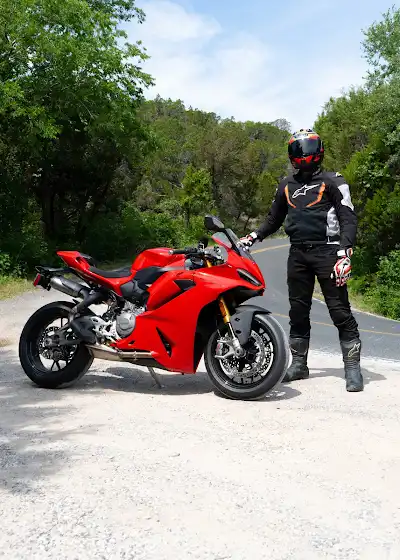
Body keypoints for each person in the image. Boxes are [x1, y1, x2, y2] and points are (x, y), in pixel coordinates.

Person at [240, 128, 363, 392]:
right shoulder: (286, 185)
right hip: (298, 254)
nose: (304, 153)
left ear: (319, 151)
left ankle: (352, 368)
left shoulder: (334, 181)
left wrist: (345, 252)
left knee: (339, 311)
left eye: (309, 147)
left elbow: (348, 218)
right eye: (299, 149)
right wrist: (253, 237)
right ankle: (299, 365)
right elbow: (273, 219)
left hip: (329, 252)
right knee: (298, 311)